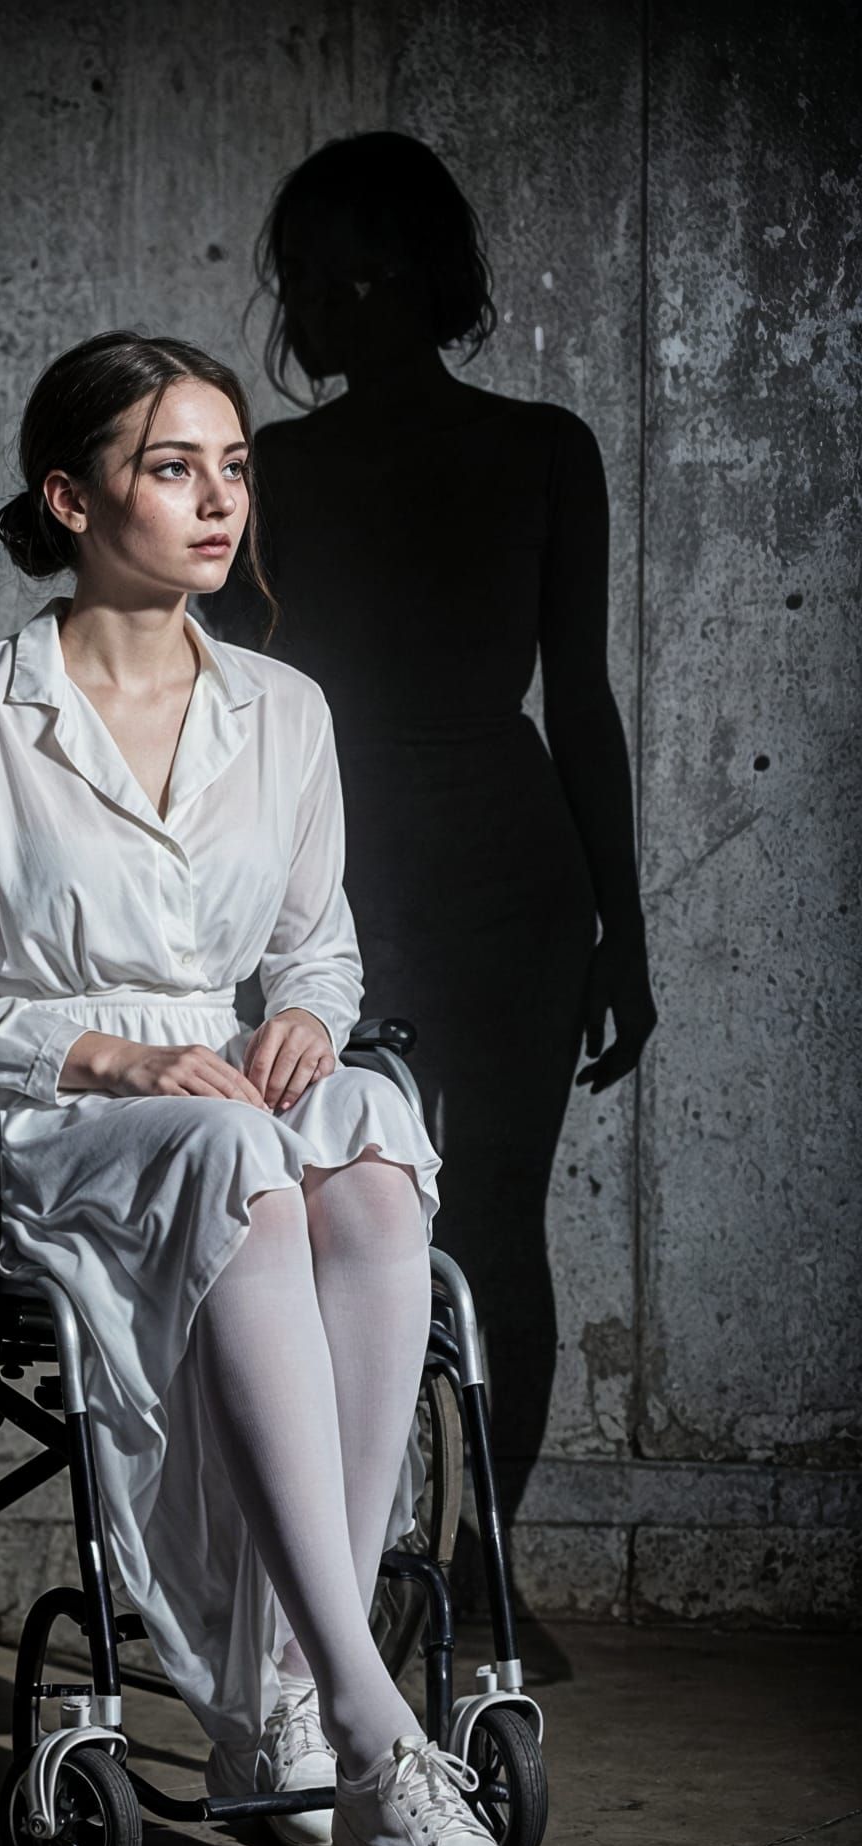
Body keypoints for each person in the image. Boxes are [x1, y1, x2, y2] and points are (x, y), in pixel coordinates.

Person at [0, 330, 543, 1846]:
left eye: (234, 467)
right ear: (71, 497)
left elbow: (316, 947)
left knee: (370, 1137)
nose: (221, 500)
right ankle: (376, 1741)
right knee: (235, 1159)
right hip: (46, 1118)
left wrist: (304, 1017)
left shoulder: (283, 712)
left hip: (231, 1090)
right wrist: (102, 1049)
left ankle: (300, 1686)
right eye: (174, 468)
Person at [203, 133, 657, 1595]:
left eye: (303, 280)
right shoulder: (540, 449)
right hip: (494, 878)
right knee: (484, 1227)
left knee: (343, 1217)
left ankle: (369, 1577)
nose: (290, 313)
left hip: (360, 877)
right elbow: (577, 707)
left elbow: (229, 718)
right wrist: (621, 931)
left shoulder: (279, 472)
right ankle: (464, 1575)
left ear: (368, 280)